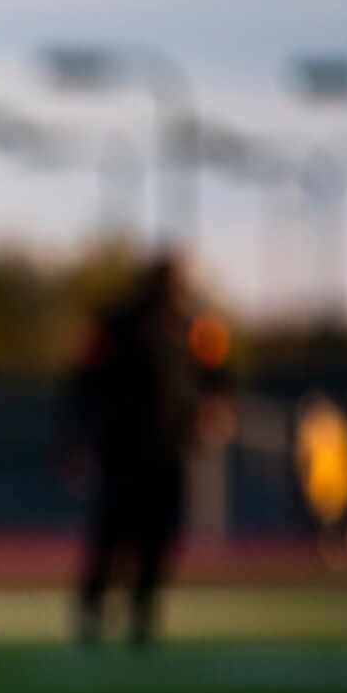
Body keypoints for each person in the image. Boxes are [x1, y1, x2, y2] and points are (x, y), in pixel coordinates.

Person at [64, 255, 207, 646]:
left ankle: (143, 612)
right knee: (111, 533)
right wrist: (76, 437)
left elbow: (213, 379)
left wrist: (210, 411)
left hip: (169, 451)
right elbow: (81, 381)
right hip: (121, 450)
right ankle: (92, 610)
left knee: (160, 533)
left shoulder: (191, 327)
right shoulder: (115, 324)